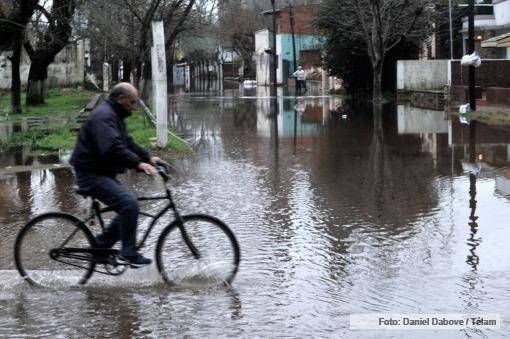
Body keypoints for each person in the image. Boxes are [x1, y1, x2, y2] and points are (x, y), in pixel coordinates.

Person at [70, 82, 164, 267]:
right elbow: (113, 148)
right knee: (129, 204)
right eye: (132, 102)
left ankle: (100, 246)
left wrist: (148, 158)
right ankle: (128, 253)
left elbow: (127, 142)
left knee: (128, 206)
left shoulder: (114, 115)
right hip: (90, 173)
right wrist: (138, 163)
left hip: (100, 171)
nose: (134, 106)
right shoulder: (104, 117)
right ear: (120, 99)